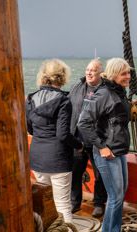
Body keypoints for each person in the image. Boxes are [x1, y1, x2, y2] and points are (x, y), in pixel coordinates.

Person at [26, 59, 83, 223]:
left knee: (45, 203)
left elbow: (30, 129)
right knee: (63, 205)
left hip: (37, 158)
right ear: (62, 76)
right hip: (58, 159)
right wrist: (79, 145)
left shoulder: (30, 99)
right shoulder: (63, 101)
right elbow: (63, 134)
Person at [77, 58, 131, 232]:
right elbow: (83, 123)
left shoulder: (119, 92)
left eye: (129, 73)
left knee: (120, 194)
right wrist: (102, 147)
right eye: (124, 73)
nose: (128, 76)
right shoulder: (103, 93)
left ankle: (114, 228)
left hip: (119, 150)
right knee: (115, 197)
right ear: (114, 74)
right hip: (108, 152)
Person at [68, 59, 107, 217]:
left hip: (96, 140)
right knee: (76, 172)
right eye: (87, 70)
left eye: (93, 70)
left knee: (100, 174)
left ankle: (98, 203)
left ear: (100, 73)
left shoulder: (105, 89)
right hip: (78, 140)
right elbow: (67, 105)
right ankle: (74, 202)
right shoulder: (77, 87)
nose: (89, 73)